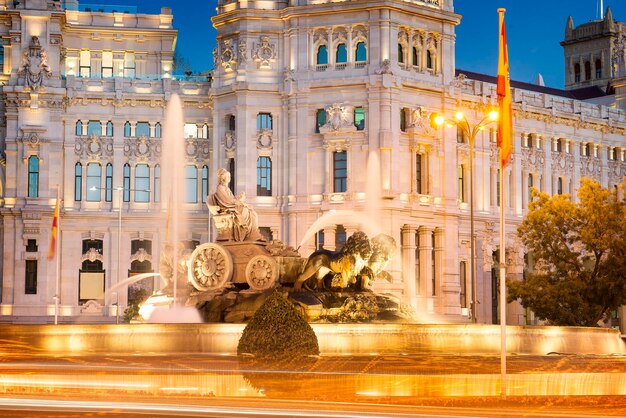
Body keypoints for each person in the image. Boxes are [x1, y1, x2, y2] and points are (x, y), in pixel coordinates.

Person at [210, 168, 264, 242]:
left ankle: (252, 234)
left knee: (253, 213)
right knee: (245, 210)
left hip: (231, 205)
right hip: (227, 208)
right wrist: (238, 202)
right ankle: (247, 234)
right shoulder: (220, 188)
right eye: (227, 177)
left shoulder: (227, 189)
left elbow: (231, 199)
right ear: (223, 178)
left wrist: (240, 199)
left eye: (229, 177)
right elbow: (226, 200)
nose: (229, 178)